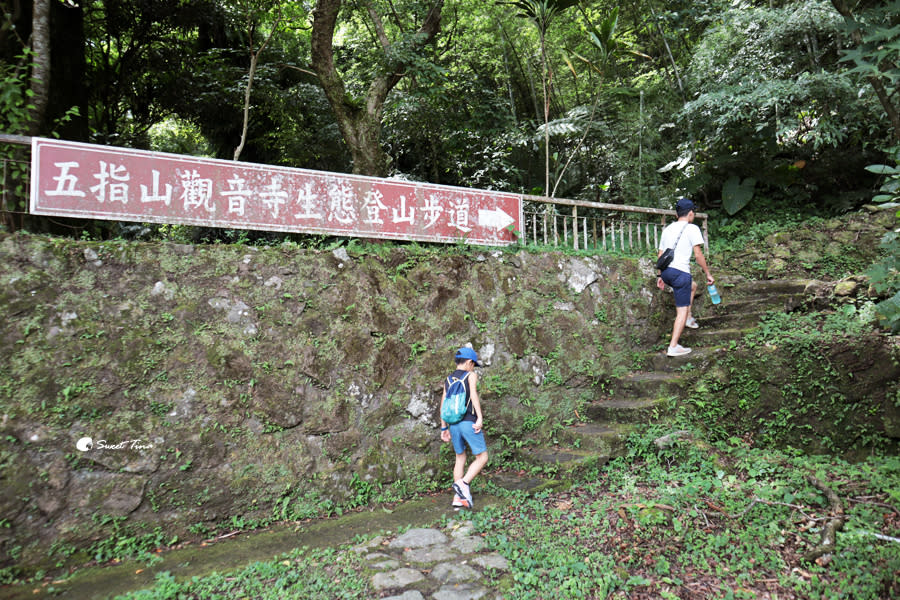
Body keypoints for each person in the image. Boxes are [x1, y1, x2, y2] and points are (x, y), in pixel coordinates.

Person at [656, 197, 714, 357]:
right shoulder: (692, 228)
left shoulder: (667, 230)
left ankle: (688, 318)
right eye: (693, 212)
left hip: (667, 272)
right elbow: (698, 254)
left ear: (676, 214)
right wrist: (708, 273)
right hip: (680, 273)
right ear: (690, 213)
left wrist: (660, 275)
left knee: (692, 286)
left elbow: (661, 254)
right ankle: (673, 346)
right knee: (680, 310)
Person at [439, 347, 488, 509]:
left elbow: (443, 403)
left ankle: (458, 499)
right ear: (468, 362)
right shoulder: (470, 375)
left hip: (453, 424)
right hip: (468, 422)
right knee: (482, 457)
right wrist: (479, 418)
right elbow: (473, 395)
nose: (473, 368)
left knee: (460, 458)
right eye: (473, 364)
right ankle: (463, 484)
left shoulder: (448, 379)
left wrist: (443, 428)